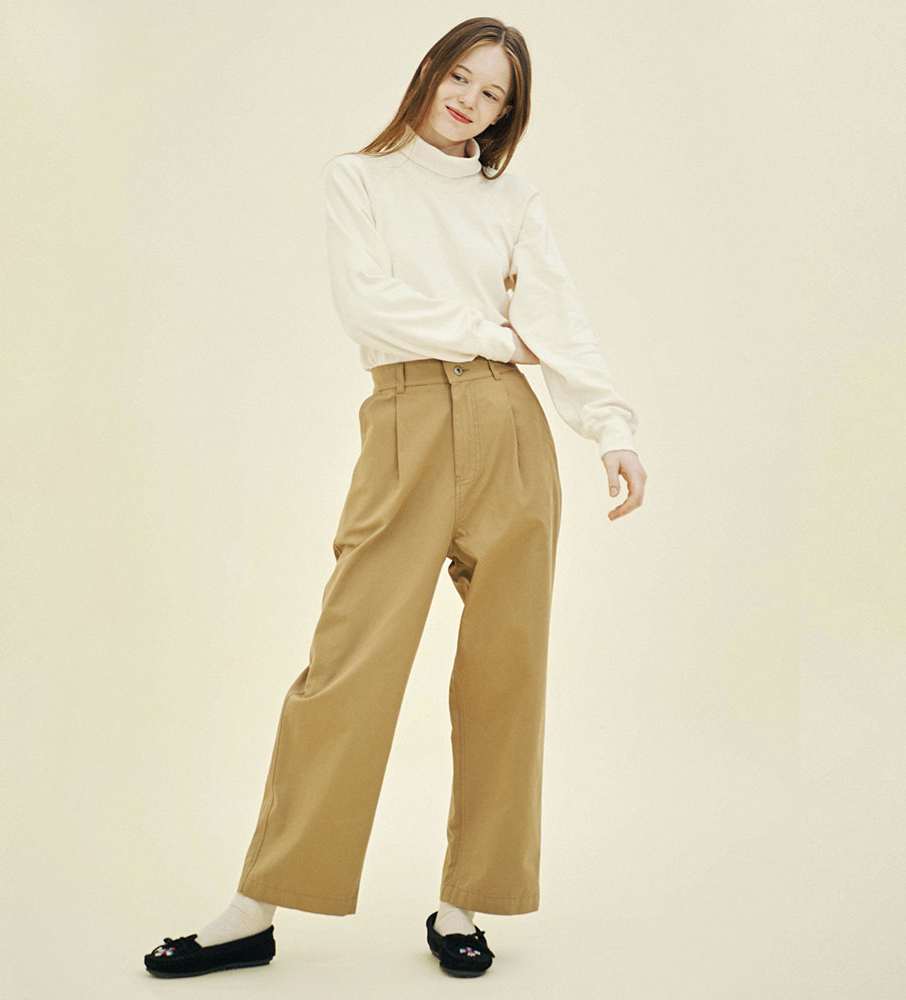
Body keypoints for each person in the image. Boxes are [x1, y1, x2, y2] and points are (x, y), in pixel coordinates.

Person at [144, 15, 646, 981]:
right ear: (430, 71)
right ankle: (255, 909)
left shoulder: (513, 201)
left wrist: (611, 427)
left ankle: (464, 904)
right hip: (408, 418)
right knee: (347, 666)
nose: (470, 101)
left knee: (507, 673)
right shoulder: (360, 179)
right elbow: (366, 302)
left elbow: (557, 317)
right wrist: (492, 335)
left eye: (493, 94)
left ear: (507, 113)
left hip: (511, 433)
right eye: (462, 77)